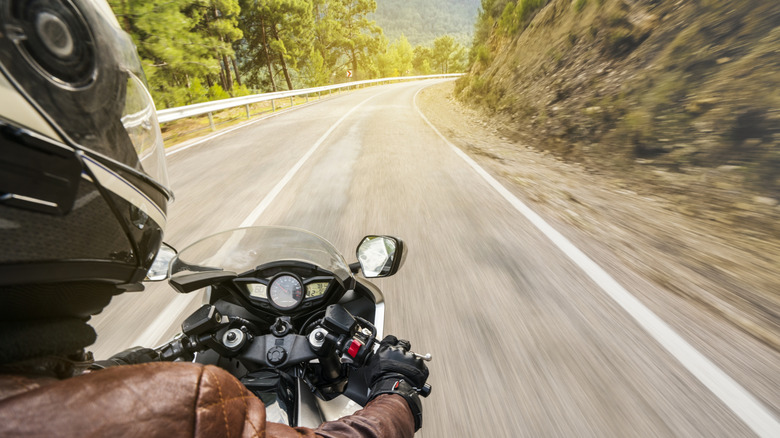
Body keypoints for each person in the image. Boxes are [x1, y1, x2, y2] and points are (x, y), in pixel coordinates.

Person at [0, 1, 428, 436]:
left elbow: (79, 379)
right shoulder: (190, 410)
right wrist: (396, 393)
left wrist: (138, 360)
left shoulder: (51, 385)